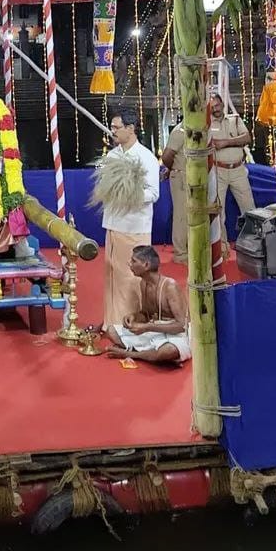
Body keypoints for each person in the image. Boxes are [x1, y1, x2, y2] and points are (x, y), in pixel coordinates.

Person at [101, 110, 161, 329]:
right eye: (112, 127)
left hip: (134, 226)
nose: (113, 131)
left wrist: (129, 194)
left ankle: (133, 323)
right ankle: (111, 322)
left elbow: (153, 193)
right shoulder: (111, 156)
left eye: (116, 127)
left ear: (131, 128)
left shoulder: (146, 157)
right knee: (113, 276)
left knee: (132, 277)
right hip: (113, 224)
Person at [103, 245, 190, 364]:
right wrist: (134, 316)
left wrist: (146, 327)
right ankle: (150, 354)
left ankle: (131, 354)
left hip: (176, 335)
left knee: (169, 350)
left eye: (134, 261)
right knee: (111, 331)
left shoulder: (170, 286)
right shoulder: (143, 283)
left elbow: (182, 326)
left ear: (146, 265)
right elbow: (146, 314)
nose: (130, 264)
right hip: (154, 332)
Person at [209, 93, 255, 225]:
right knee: (218, 213)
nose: (215, 109)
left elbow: (247, 138)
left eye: (217, 105)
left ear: (223, 104)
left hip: (238, 170)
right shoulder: (207, 124)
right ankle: (221, 239)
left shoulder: (234, 119)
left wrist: (225, 142)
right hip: (218, 171)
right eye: (212, 107)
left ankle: (253, 237)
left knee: (250, 208)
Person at [161, 120, 187, 264]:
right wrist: (176, 168)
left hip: (196, 177)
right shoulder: (179, 131)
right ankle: (181, 254)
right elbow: (166, 157)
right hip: (181, 176)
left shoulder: (200, 129)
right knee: (181, 216)